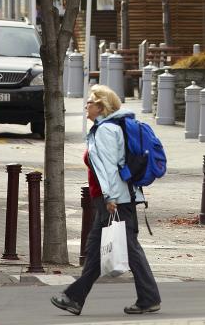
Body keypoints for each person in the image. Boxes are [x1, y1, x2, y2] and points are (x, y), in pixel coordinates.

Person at [51, 86, 160, 316]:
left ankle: (75, 297)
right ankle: (75, 298)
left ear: (101, 107)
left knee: (124, 248)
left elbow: (108, 167)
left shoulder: (106, 131)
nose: (86, 106)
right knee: (98, 250)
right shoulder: (106, 129)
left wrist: (110, 197)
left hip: (114, 199)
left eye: (90, 102)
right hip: (113, 198)